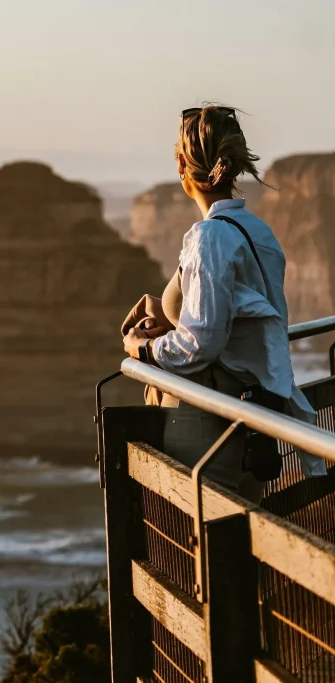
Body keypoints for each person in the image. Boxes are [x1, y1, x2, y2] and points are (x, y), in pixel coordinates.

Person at [121, 104, 326, 502]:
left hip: (205, 421)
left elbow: (202, 344)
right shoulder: (256, 230)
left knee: (199, 547)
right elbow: (238, 319)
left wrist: (143, 348)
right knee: (243, 541)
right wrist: (170, 318)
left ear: (181, 165)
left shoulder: (209, 237)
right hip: (253, 415)